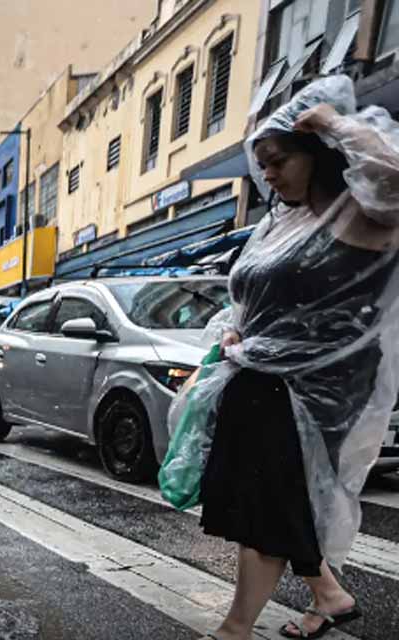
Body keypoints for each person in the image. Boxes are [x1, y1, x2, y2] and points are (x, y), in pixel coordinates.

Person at [194, 76, 399, 640]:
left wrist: (334, 122)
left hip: (314, 387)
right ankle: (328, 595)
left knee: (268, 507)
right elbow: (250, 295)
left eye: (279, 160)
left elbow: (394, 178)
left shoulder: (361, 211)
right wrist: (235, 331)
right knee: (271, 502)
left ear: (317, 152)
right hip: (258, 379)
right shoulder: (283, 221)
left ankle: (236, 629)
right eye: (261, 164)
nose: (268, 174)